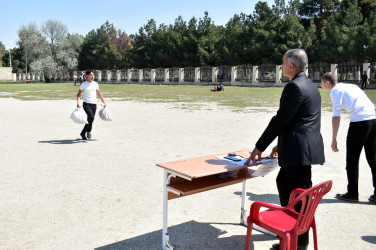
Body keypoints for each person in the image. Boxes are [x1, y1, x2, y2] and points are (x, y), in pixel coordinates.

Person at [245, 49, 325, 250]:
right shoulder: (310, 85)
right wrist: (280, 144)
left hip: (299, 153)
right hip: (301, 149)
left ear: (291, 66)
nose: (281, 66)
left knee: (298, 195)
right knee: (284, 182)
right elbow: (299, 120)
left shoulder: (294, 87)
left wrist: (259, 147)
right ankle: (293, 236)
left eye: (283, 62)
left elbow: (280, 120)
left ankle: (296, 242)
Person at [321, 72, 376, 203]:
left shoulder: (335, 91)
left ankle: (352, 193)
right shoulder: (351, 86)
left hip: (360, 122)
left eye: (322, 84)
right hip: (373, 119)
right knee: (373, 158)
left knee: (352, 160)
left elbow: (336, 115)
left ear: (328, 83)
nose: (322, 86)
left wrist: (334, 139)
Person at [76, 70, 106, 140]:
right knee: (91, 117)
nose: (92, 76)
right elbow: (79, 94)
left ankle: (87, 131)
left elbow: (99, 93)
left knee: (91, 119)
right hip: (86, 104)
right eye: (90, 75)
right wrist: (78, 102)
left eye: (93, 75)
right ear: (86, 76)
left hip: (94, 104)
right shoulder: (84, 84)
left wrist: (104, 102)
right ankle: (84, 132)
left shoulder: (95, 84)